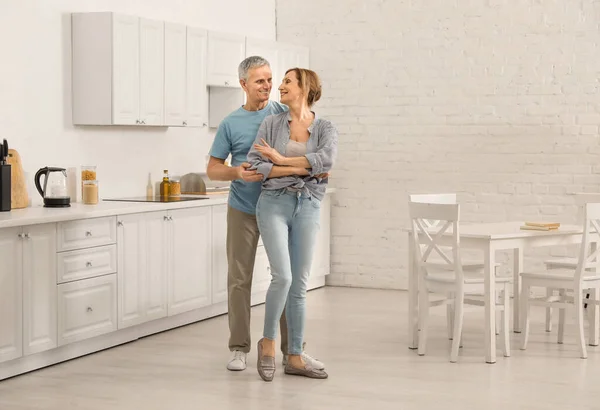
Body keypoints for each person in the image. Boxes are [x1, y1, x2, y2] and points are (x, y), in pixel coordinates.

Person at [207, 56, 325, 372]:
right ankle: (238, 348)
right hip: (243, 208)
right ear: (243, 84)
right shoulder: (230, 123)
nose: (268, 86)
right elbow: (213, 169)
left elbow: (311, 152)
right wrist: (235, 173)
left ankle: (291, 351)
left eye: (270, 79)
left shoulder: (281, 114)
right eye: (260, 80)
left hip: (282, 206)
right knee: (239, 279)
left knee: (286, 279)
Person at [247, 68, 338, 381]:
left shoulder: (325, 127)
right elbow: (256, 164)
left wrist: (281, 160)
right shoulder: (271, 123)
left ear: (305, 87)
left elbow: (326, 162)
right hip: (273, 203)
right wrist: (303, 169)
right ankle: (268, 343)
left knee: (300, 284)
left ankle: (295, 356)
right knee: (282, 277)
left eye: (287, 81)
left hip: (308, 206)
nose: (279, 87)